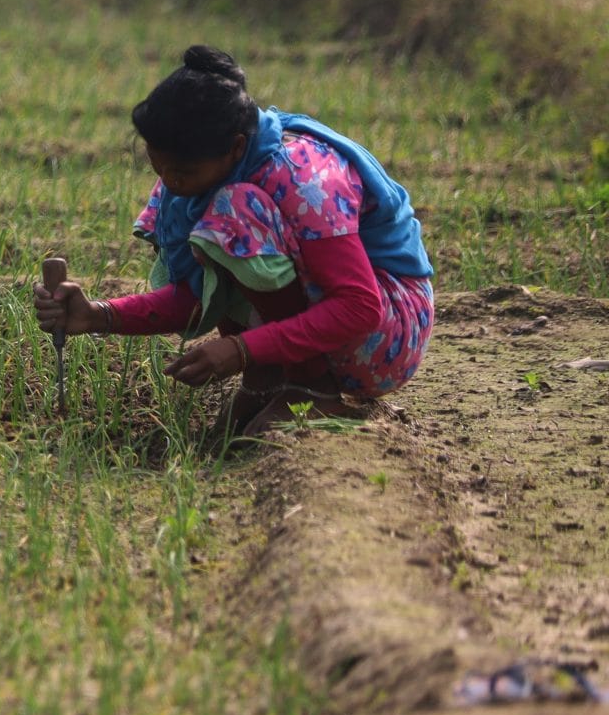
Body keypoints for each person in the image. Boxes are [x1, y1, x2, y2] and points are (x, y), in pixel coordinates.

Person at [35, 45, 436, 439]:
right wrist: (97, 315)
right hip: (337, 323)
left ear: (237, 148)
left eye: (183, 171)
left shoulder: (302, 177)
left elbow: (359, 307)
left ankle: (312, 386)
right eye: (160, 168)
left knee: (235, 211)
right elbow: (198, 297)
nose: (171, 183)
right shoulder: (190, 183)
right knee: (223, 222)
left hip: (388, 331)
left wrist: (242, 349)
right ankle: (270, 378)